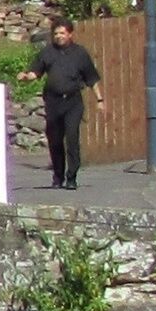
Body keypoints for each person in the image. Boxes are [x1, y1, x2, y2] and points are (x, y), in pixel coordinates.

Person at [35, 18, 102, 190]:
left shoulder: (80, 53)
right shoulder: (47, 53)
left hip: (72, 101)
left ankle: (71, 177)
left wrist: (100, 100)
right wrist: (26, 76)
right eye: (56, 33)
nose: (59, 36)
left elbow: (91, 79)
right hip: (53, 102)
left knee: (72, 137)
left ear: (70, 34)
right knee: (55, 140)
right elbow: (35, 72)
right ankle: (58, 176)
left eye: (62, 33)